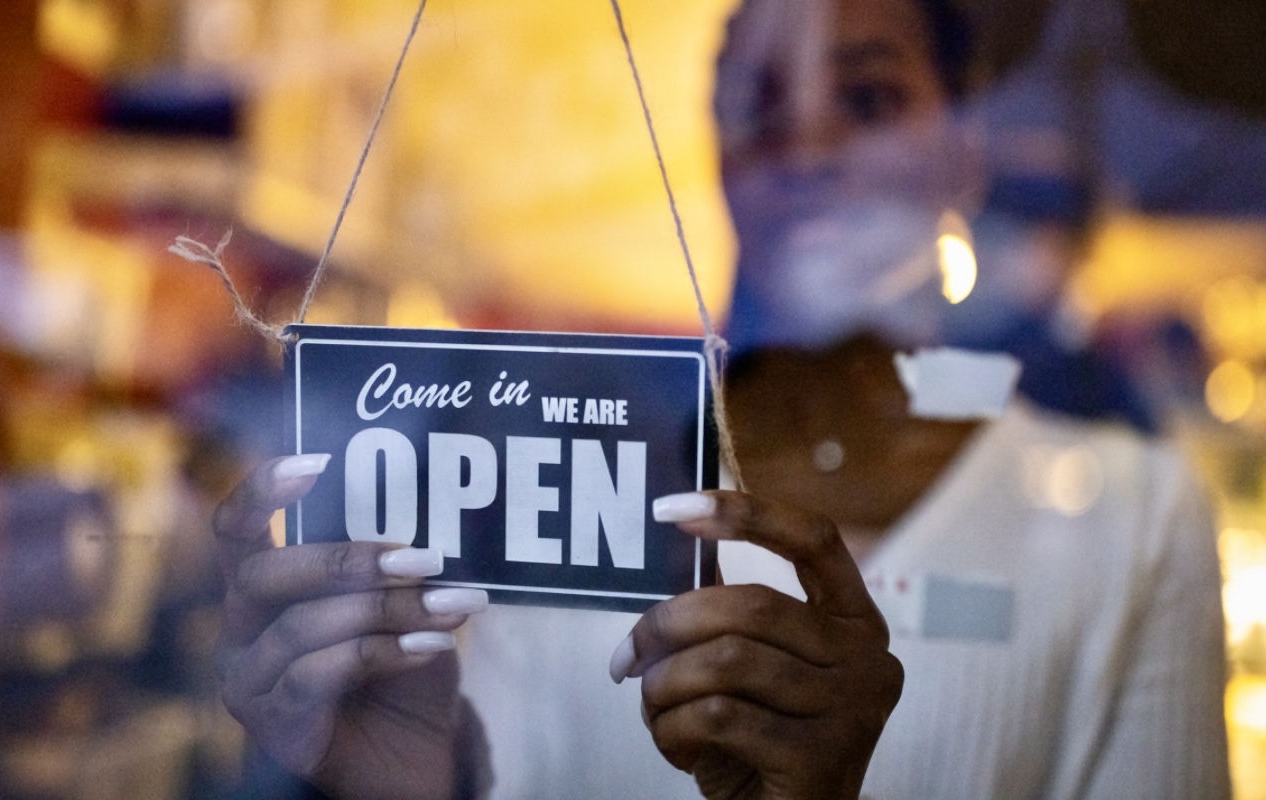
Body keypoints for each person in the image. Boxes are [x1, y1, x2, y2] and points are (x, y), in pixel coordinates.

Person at [211, 0, 1229, 797]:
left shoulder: (1129, 519)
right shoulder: (573, 486)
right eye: (760, 107)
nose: (811, 148)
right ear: (718, 155)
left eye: (869, 99)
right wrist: (407, 783)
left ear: (960, 156)